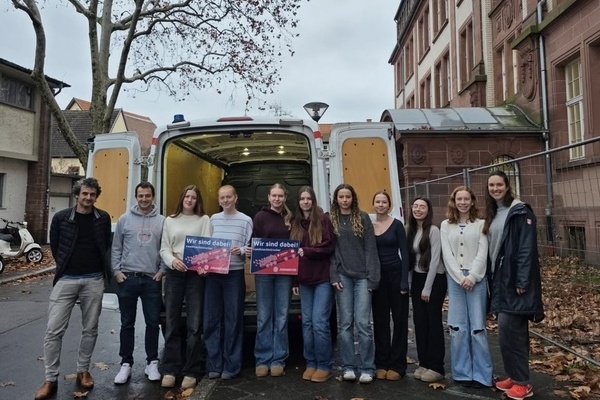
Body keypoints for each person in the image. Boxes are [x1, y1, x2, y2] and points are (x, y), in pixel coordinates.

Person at [35, 178, 111, 400]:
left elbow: (105, 244)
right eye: (84, 193)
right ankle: (50, 378)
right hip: (66, 279)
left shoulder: (103, 218)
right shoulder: (61, 218)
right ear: (77, 194)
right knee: (53, 331)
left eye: (92, 194)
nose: (88, 197)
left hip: (93, 279)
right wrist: (66, 266)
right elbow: (56, 246)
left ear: (96, 196)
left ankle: (83, 370)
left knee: (90, 328)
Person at [484, 171, 544, 400]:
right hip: (499, 279)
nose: (495, 188)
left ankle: (523, 383)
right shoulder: (494, 211)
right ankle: (514, 375)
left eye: (499, 184)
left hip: (514, 281)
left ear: (507, 186)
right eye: (491, 185)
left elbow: (526, 249)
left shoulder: (520, 212)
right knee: (506, 332)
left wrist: (522, 280)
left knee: (513, 330)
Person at [112, 182, 166, 384]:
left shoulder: (162, 221)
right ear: (136, 197)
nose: (144, 199)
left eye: (147, 195)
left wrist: (162, 271)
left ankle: (152, 362)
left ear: (153, 197)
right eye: (141, 196)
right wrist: (116, 271)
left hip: (151, 279)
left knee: (153, 323)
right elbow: (116, 247)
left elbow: (165, 248)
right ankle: (126, 364)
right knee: (127, 323)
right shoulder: (124, 220)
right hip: (128, 278)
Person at [159, 185, 211, 390]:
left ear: (198, 201)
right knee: (172, 322)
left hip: (195, 276)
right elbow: (164, 248)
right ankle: (170, 369)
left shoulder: (204, 220)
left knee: (194, 325)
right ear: (182, 198)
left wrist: (204, 266)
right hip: (175, 273)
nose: (190, 200)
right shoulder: (170, 220)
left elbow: (207, 247)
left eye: (193, 197)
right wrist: (172, 261)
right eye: (187, 196)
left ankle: (191, 370)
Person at [440, 187, 492, 388]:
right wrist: (459, 277)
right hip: (455, 279)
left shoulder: (480, 224)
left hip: (476, 278)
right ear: (454, 201)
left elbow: (482, 252)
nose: (462, 202)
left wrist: (472, 276)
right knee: (458, 326)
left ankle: (482, 374)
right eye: (459, 199)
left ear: (472, 201)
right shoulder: (446, 225)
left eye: (466, 199)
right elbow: (447, 254)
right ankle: (462, 372)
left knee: (477, 327)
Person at [330, 183, 380, 384]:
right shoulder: (331, 219)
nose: (344, 200)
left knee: (363, 323)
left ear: (353, 198)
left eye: (348, 196)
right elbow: (331, 252)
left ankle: (367, 367)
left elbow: (370, 249)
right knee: (345, 324)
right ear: (336, 199)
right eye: (341, 196)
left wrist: (373, 277)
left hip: (363, 277)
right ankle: (348, 367)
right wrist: (334, 276)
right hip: (343, 276)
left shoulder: (363, 217)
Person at [204, 185, 253, 380]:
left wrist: (240, 251)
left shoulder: (246, 220)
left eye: (228, 197)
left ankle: (231, 366)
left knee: (233, 320)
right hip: (214, 275)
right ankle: (214, 365)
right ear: (218, 200)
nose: (225, 200)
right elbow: (206, 245)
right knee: (212, 320)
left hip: (234, 274)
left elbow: (249, 247)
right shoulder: (213, 220)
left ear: (235, 197)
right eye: (222, 197)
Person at [246, 183, 292, 377]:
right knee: (264, 316)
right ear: (268, 197)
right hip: (264, 272)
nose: (277, 199)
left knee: (281, 316)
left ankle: (278, 359)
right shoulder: (260, 217)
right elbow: (253, 241)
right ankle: (263, 358)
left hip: (285, 273)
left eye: (280, 196)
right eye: (274, 195)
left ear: (285, 198)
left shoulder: (291, 218)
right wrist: (250, 249)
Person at [290, 186, 336, 383]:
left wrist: (308, 251)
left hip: (322, 279)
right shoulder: (295, 223)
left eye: (308, 198)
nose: (305, 202)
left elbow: (329, 246)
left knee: (319, 322)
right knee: (307, 323)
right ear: (298, 202)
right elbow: (291, 255)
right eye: (302, 199)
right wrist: (294, 280)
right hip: (304, 280)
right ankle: (311, 362)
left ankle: (324, 365)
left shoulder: (323, 219)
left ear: (313, 200)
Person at [407, 197, 447, 383]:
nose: (418, 209)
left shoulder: (433, 230)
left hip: (434, 279)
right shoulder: (411, 230)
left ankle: (436, 366)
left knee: (433, 322)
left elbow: (435, 260)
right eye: (415, 206)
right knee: (420, 322)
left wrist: (427, 288)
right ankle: (424, 362)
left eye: (422, 207)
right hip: (417, 278)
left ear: (428, 210)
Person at [371, 191, 410, 381]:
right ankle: (381, 362)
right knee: (380, 321)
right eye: (377, 202)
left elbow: (405, 254)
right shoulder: (369, 226)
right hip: (378, 278)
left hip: (396, 275)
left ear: (389, 205)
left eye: (384, 202)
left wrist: (404, 281)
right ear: (373, 204)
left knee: (400, 321)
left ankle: (397, 365)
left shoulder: (397, 225)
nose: (381, 205)